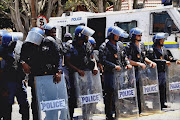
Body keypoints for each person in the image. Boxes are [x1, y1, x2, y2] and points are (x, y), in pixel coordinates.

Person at [99, 26, 132, 120]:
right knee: (109, 93)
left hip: (119, 73)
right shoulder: (104, 46)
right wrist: (114, 66)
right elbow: (103, 60)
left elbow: (124, 56)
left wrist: (127, 63)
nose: (118, 37)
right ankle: (109, 114)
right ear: (111, 35)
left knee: (118, 93)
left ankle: (117, 111)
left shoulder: (120, 45)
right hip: (109, 73)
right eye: (116, 35)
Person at [65, 25, 97, 120]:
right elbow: (67, 61)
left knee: (86, 96)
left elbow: (92, 57)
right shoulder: (70, 46)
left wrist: (95, 66)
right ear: (80, 35)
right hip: (74, 75)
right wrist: (77, 70)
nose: (88, 37)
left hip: (86, 74)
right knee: (73, 97)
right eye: (86, 35)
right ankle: (70, 116)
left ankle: (86, 115)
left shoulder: (87, 45)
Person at [126, 27, 156, 114]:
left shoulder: (142, 45)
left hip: (142, 72)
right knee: (134, 90)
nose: (140, 36)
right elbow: (128, 60)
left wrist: (151, 62)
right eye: (138, 35)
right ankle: (133, 108)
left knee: (142, 90)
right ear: (133, 36)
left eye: (140, 35)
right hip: (133, 72)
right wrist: (139, 64)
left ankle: (142, 106)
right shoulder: (129, 46)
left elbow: (144, 57)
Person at [0, 33, 29, 120]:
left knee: (24, 105)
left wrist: (24, 79)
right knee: (7, 107)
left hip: (19, 81)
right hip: (8, 83)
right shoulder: (2, 54)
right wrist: (3, 88)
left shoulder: (17, 50)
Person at [149, 33, 179, 109]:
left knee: (163, 87)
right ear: (156, 41)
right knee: (157, 88)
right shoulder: (152, 50)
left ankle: (162, 103)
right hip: (156, 72)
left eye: (163, 40)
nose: (163, 41)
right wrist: (163, 62)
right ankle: (155, 104)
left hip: (163, 71)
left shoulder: (164, 50)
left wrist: (175, 60)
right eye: (161, 40)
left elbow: (169, 57)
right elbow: (152, 60)